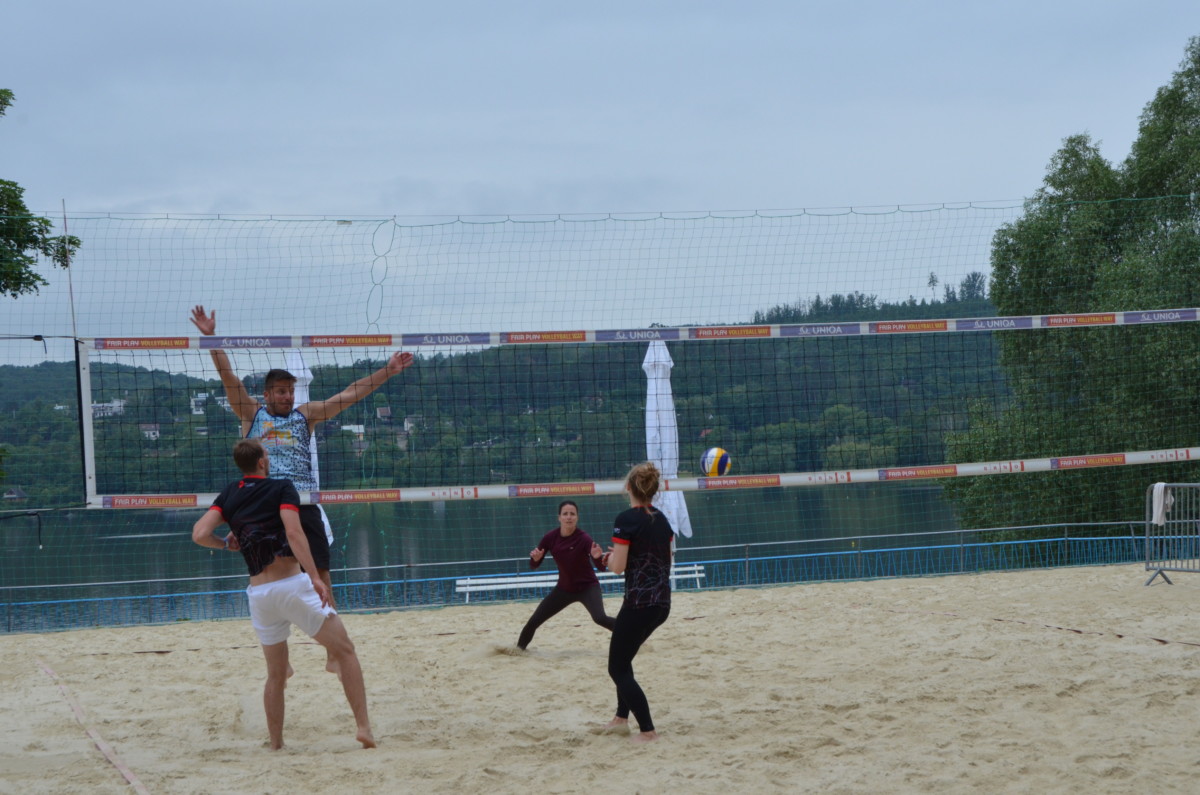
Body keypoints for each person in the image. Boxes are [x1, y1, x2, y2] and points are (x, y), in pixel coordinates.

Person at [189, 305, 413, 609]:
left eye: (291, 391)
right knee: (272, 578)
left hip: (302, 500)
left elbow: (349, 394)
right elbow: (228, 378)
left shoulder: (304, 415)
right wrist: (211, 338)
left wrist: (389, 370)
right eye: (281, 391)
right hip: (266, 503)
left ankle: (331, 626)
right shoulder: (251, 413)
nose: (288, 397)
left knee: (321, 576)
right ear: (267, 394)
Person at [192, 438, 375, 750]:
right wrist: (315, 577)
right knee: (345, 651)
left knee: (276, 675)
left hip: (260, 595)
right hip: (291, 586)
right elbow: (293, 531)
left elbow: (199, 534)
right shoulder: (282, 487)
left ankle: (276, 743)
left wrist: (224, 544)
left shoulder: (229, 494)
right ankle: (364, 728)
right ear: (262, 462)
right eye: (266, 454)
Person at [599, 462, 674, 743]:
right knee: (625, 659)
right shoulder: (663, 520)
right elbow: (664, 560)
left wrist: (608, 559)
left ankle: (648, 731)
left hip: (638, 603)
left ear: (629, 487)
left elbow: (617, 568)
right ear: (653, 490)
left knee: (617, 668)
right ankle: (621, 717)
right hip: (662, 603)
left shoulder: (627, 519)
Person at [516, 500, 615, 650]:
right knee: (534, 620)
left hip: (587, 587)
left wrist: (597, 557)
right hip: (564, 589)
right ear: (559, 517)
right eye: (565, 514)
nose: (569, 517)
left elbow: (601, 568)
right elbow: (533, 565)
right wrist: (535, 559)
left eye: (572, 514)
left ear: (577, 517)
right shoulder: (550, 538)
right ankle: (518, 650)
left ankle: (631, 633)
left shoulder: (584, 538)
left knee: (600, 618)